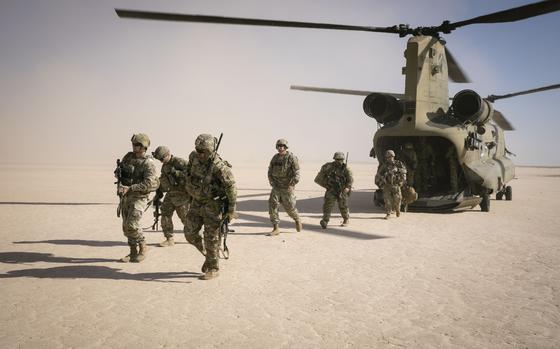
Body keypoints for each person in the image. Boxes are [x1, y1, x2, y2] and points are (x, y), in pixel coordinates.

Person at [183, 134, 236, 280]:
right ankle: (209, 256)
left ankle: (213, 267)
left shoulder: (219, 166)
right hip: (196, 202)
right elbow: (189, 172)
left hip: (213, 205)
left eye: (203, 151)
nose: (200, 154)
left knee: (211, 238)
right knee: (189, 233)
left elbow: (231, 187)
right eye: (198, 150)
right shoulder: (193, 157)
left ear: (211, 150)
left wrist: (231, 210)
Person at [115, 133, 159, 262]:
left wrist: (131, 188)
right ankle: (133, 252)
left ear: (143, 146)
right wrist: (120, 182)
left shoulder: (148, 163)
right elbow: (122, 174)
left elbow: (149, 183)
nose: (134, 147)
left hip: (139, 197)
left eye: (137, 145)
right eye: (133, 144)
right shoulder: (128, 157)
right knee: (126, 227)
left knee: (132, 224)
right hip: (126, 196)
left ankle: (143, 247)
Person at [152, 146, 191, 247]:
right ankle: (169, 238)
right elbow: (164, 179)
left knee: (185, 218)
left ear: (168, 154)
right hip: (171, 193)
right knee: (165, 214)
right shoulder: (165, 165)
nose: (161, 161)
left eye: (161, 159)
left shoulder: (180, 162)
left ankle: (196, 236)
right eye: (159, 159)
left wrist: (177, 173)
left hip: (182, 195)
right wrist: (159, 191)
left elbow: (192, 174)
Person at [267, 139, 302, 236]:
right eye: (279, 146)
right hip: (276, 186)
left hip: (287, 187)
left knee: (289, 207)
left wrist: (292, 184)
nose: (280, 147)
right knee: (272, 205)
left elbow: (297, 173)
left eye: (282, 146)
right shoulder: (275, 158)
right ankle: (276, 228)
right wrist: (271, 181)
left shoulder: (291, 158)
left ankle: (297, 219)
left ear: (286, 147)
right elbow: (270, 170)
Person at [314, 152, 353, 228]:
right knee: (327, 205)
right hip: (331, 189)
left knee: (343, 205)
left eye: (341, 159)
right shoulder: (328, 167)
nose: (339, 161)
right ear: (334, 159)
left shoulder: (346, 169)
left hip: (342, 190)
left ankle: (346, 219)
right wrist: (327, 185)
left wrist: (347, 187)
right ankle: (325, 221)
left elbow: (350, 180)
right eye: (337, 159)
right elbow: (319, 178)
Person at [375, 150, 407, 219]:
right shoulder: (384, 165)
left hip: (396, 184)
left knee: (397, 199)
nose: (389, 158)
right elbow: (379, 174)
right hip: (387, 185)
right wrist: (382, 179)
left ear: (393, 156)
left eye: (390, 157)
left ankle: (397, 209)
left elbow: (405, 171)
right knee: (387, 200)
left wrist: (397, 170)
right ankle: (388, 213)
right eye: (388, 157)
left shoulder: (398, 163)